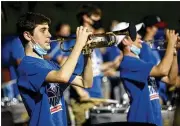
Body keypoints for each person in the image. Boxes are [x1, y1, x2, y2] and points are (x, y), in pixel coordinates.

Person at [16, 12, 93, 126]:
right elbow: (62, 77)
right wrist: (78, 44)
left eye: (48, 30)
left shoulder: (50, 65)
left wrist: (87, 53)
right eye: (43, 30)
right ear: (28, 35)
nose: (49, 35)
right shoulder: (27, 65)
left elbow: (86, 83)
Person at [113, 22, 178, 126]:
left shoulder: (141, 63)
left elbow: (171, 80)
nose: (139, 36)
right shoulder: (128, 63)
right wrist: (170, 44)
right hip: (141, 120)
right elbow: (163, 70)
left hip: (154, 120)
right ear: (125, 41)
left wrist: (174, 52)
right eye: (134, 34)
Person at [138, 15, 169, 105]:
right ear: (148, 28)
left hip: (159, 93)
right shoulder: (144, 48)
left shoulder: (153, 46)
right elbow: (153, 73)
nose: (159, 30)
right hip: (154, 96)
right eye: (156, 27)